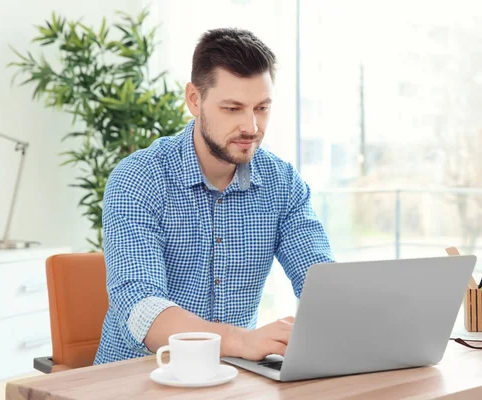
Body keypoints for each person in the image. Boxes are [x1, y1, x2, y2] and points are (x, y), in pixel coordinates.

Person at [94, 28, 334, 365]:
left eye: (261, 108)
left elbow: (321, 280)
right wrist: (242, 340)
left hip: (233, 377)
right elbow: (141, 308)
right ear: (194, 100)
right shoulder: (139, 178)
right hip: (137, 377)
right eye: (233, 108)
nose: (251, 126)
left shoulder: (282, 183)